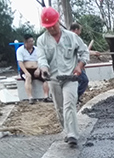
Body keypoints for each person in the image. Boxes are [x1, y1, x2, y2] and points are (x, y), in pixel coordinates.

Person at [37, 7, 89, 146]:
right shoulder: (42, 40)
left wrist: (79, 66)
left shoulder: (72, 37)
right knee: (59, 107)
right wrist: (44, 69)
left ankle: (72, 135)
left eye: (53, 25)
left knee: (69, 104)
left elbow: (84, 52)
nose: (51, 29)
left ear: (58, 21)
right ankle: (67, 130)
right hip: (54, 78)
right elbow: (41, 58)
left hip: (70, 77)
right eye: (48, 27)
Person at [69, 23, 100, 103]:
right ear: (76, 30)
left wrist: (93, 53)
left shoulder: (74, 39)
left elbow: (84, 51)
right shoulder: (72, 38)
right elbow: (80, 53)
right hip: (74, 64)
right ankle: (75, 96)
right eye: (80, 30)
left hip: (76, 64)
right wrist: (81, 63)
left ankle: (75, 97)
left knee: (79, 81)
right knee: (84, 80)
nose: (80, 32)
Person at [16, 34, 50, 104]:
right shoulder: (20, 50)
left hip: (37, 68)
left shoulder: (37, 49)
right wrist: (26, 72)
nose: (31, 43)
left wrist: (38, 69)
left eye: (32, 41)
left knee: (45, 77)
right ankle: (30, 98)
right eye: (30, 41)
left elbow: (40, 60)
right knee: (28, 77)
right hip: (26, 69)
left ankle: (46, 96)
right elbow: (20, 62)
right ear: (25, 42)